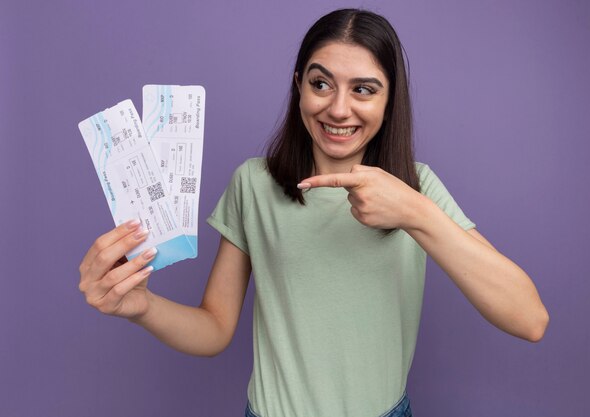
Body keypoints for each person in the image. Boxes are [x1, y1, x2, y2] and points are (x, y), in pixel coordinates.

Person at [78, 8, 549, 417]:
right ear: (298, 87)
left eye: (364, 89)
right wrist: (139, 306)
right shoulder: (254, 184)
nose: (339, 108)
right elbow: (215, 329)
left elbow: (529, 319)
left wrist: (415, 212)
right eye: (321, 83)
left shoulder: (417, 190)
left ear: (389, 101)